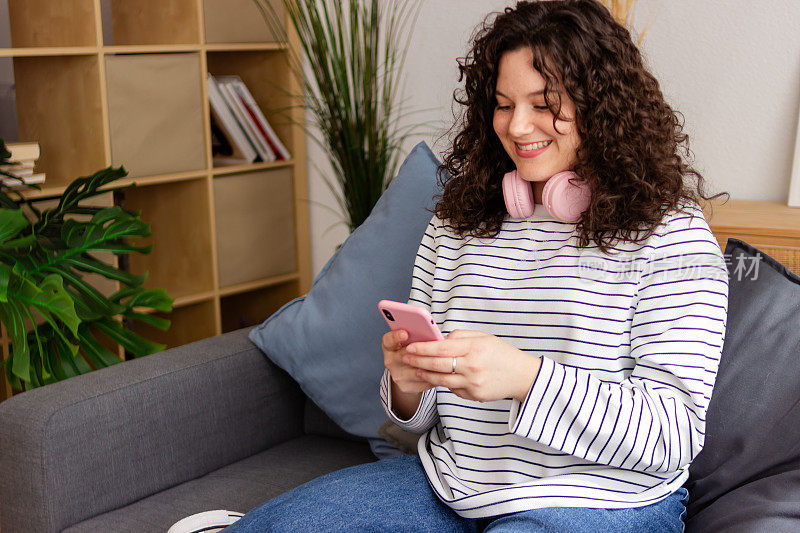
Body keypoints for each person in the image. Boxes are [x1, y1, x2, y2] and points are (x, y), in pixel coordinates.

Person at [224, 0, 729, 531]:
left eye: (544, 103)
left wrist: (525, 379)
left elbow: (673, 436)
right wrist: (407, 385)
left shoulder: (670, 234)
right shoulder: (458, 223)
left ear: (601, 105)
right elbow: (420, 421)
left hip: (602, 500)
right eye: (504, 104)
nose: (518, 126)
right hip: (451, 484)